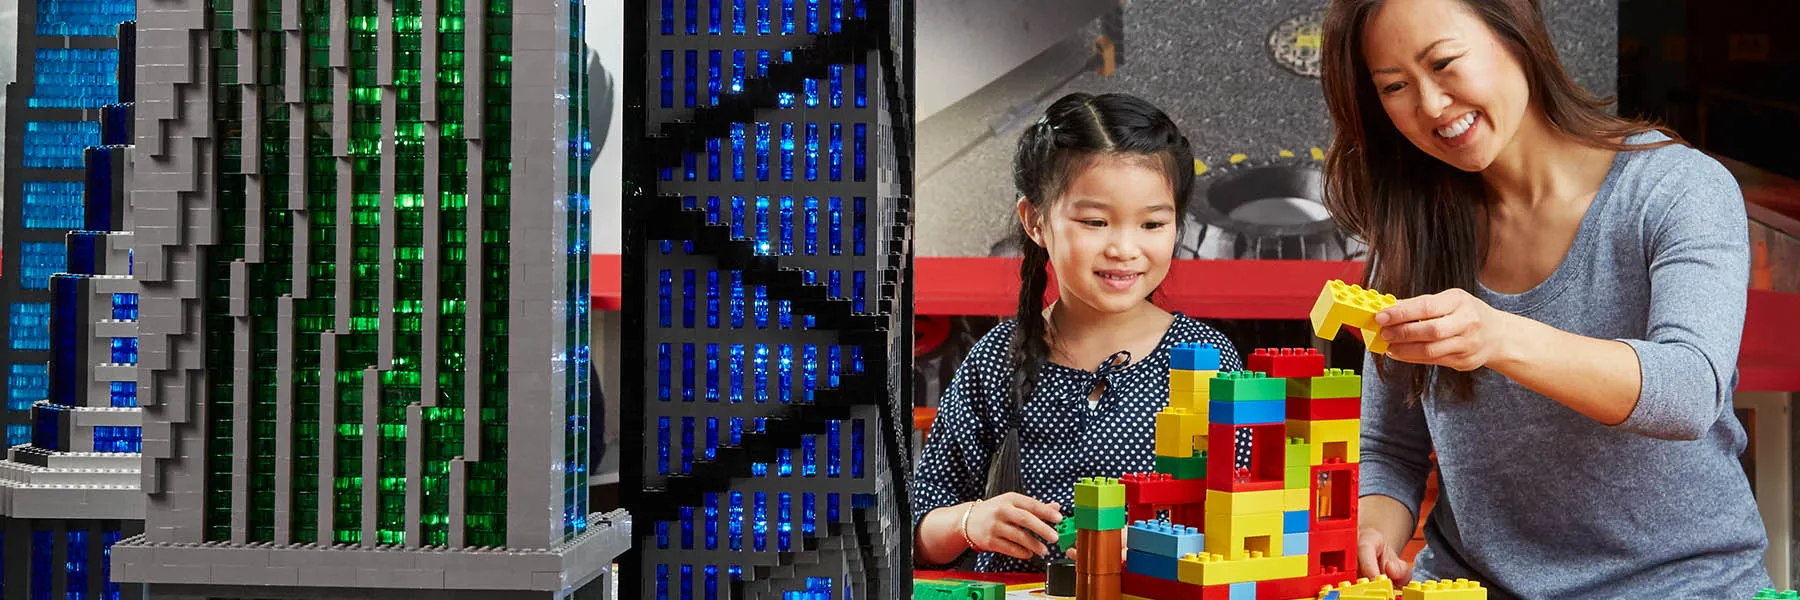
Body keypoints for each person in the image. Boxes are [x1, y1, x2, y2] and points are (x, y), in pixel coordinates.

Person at [1319, 0, 1771, 597]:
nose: (1430, 105)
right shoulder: (1415, 231)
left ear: (1517, 38)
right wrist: (1372, 531)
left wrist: (1499, 336)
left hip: (1680, 585)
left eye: (1446, 62)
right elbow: (1389, 446)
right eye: (1396, 86)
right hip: (1472, 585)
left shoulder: (1673, 187)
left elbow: (1689, 390)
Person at [911, 92, 1243, 573]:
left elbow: (1253, 510)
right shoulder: (994, 360)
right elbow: (916, 531)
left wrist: (1172, 546)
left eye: (1153, 223)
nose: (1125, 248)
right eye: (1095, 221)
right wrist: (971, 521)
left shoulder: (1206, 358)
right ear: (1036, 221)